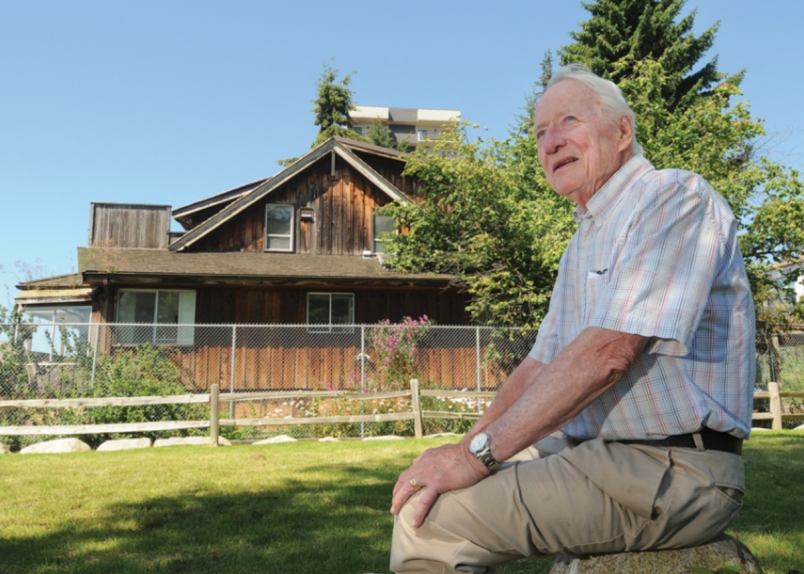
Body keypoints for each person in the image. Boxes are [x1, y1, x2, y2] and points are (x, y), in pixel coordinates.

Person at [388, 64, 756, 574]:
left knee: (430, 523)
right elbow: (540, 366)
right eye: (540, 132)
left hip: (672, 469)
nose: (551, 142)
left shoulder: (675, 199)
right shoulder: (581, 242)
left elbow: (608, 354)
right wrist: (463, 451)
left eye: (567, 121)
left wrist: (476, 460)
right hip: (596, 455)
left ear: (622, 131)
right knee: (426, 490)